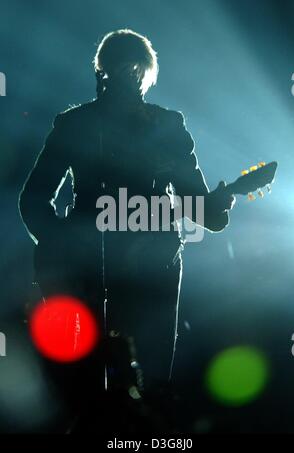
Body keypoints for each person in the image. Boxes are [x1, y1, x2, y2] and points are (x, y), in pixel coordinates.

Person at [19, 29, 235, 392]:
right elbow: (34, 198)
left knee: (148, 380)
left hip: (153, 269)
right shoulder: (77, 125)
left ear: (147, 73)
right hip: (93, 269)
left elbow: (201, 209)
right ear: (102, 72)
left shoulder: (168, 126)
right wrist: (65, 246)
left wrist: (218, 207)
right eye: (120, 69)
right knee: (87, 381)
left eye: (136, 70)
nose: (129, 78)